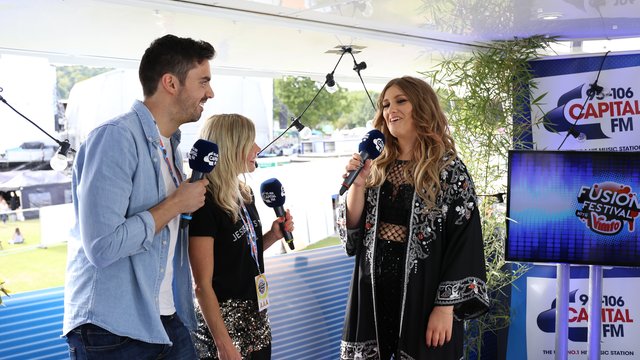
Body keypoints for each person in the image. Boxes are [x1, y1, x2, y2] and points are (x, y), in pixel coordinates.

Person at [63, 34, 215, 359]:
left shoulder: (171, 148)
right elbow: (102, 247)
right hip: (111, 330)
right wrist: (176, 204)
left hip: (164, 318)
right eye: (203, 81)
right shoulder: (115, 139)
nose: (210, 93)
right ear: (170, 83)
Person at [337, 76, 490, 360]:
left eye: (400, 101)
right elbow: (353, 231)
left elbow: (465, 240)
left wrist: (445, 308)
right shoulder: (377, 164)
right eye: (385, 104)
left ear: (421, 105)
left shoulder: (448, 169)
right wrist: (357, 186)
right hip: (371, 291)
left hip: (423, 293)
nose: (389, 109)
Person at [188, 114, 294, 360]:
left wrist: (272, 235)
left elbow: (240, 255)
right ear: (231, 147)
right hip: (225, 330)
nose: (257, 149)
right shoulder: (203, 202)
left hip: (256, 323)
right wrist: (223, 344)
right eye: (250, 143)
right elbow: (202, 285)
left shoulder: (244, 194)